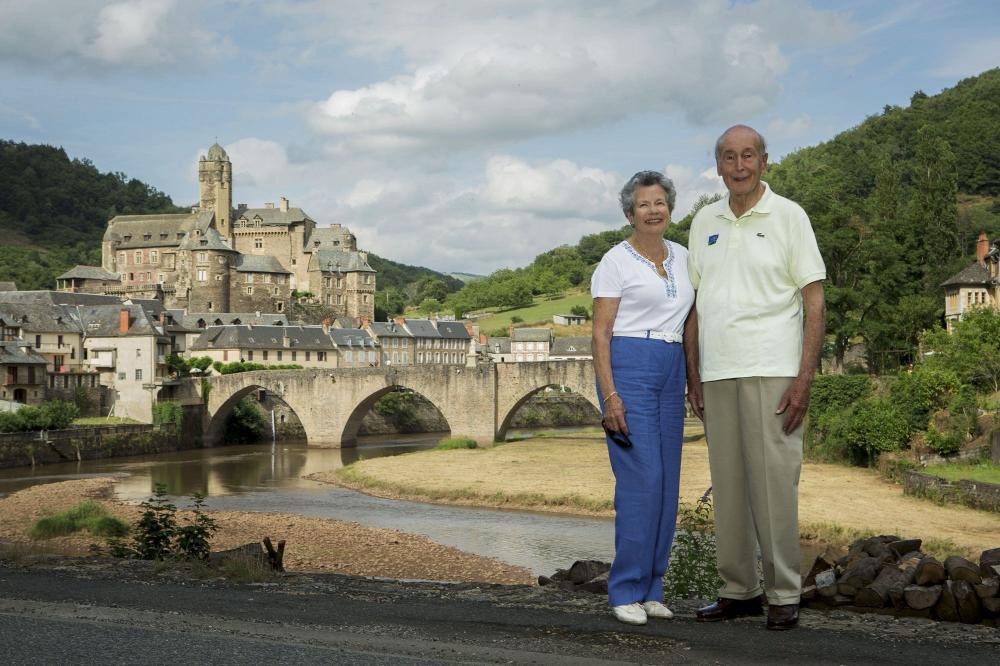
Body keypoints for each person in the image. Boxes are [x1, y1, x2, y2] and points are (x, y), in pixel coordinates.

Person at [685, 125, 826, 631]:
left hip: (773, 368)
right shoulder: (704, 221)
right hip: (718, 372)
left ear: (765, 161)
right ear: (718, 165)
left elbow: (814, 301)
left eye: (748, 156)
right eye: (729, 156)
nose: (739, 165)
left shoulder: (789, 216)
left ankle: (785, 592)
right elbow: (695, 306)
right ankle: (738, 589)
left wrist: (804, 378)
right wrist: (693, 373)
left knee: (774, 484)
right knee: (729, 485)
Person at [591, 170, 696, 625]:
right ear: (629, 213)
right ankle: (624, 590)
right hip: (629, 364)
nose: (653, 211)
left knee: (668, 482)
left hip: (671, 365)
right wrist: (610, 394)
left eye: (660, 203)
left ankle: (653, 586)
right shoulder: (614, 262)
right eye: (643, 204)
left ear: (670, 208)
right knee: (642, 480)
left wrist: (695, 378)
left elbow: (691, 320)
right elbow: (600, 334)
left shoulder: (685, 258)